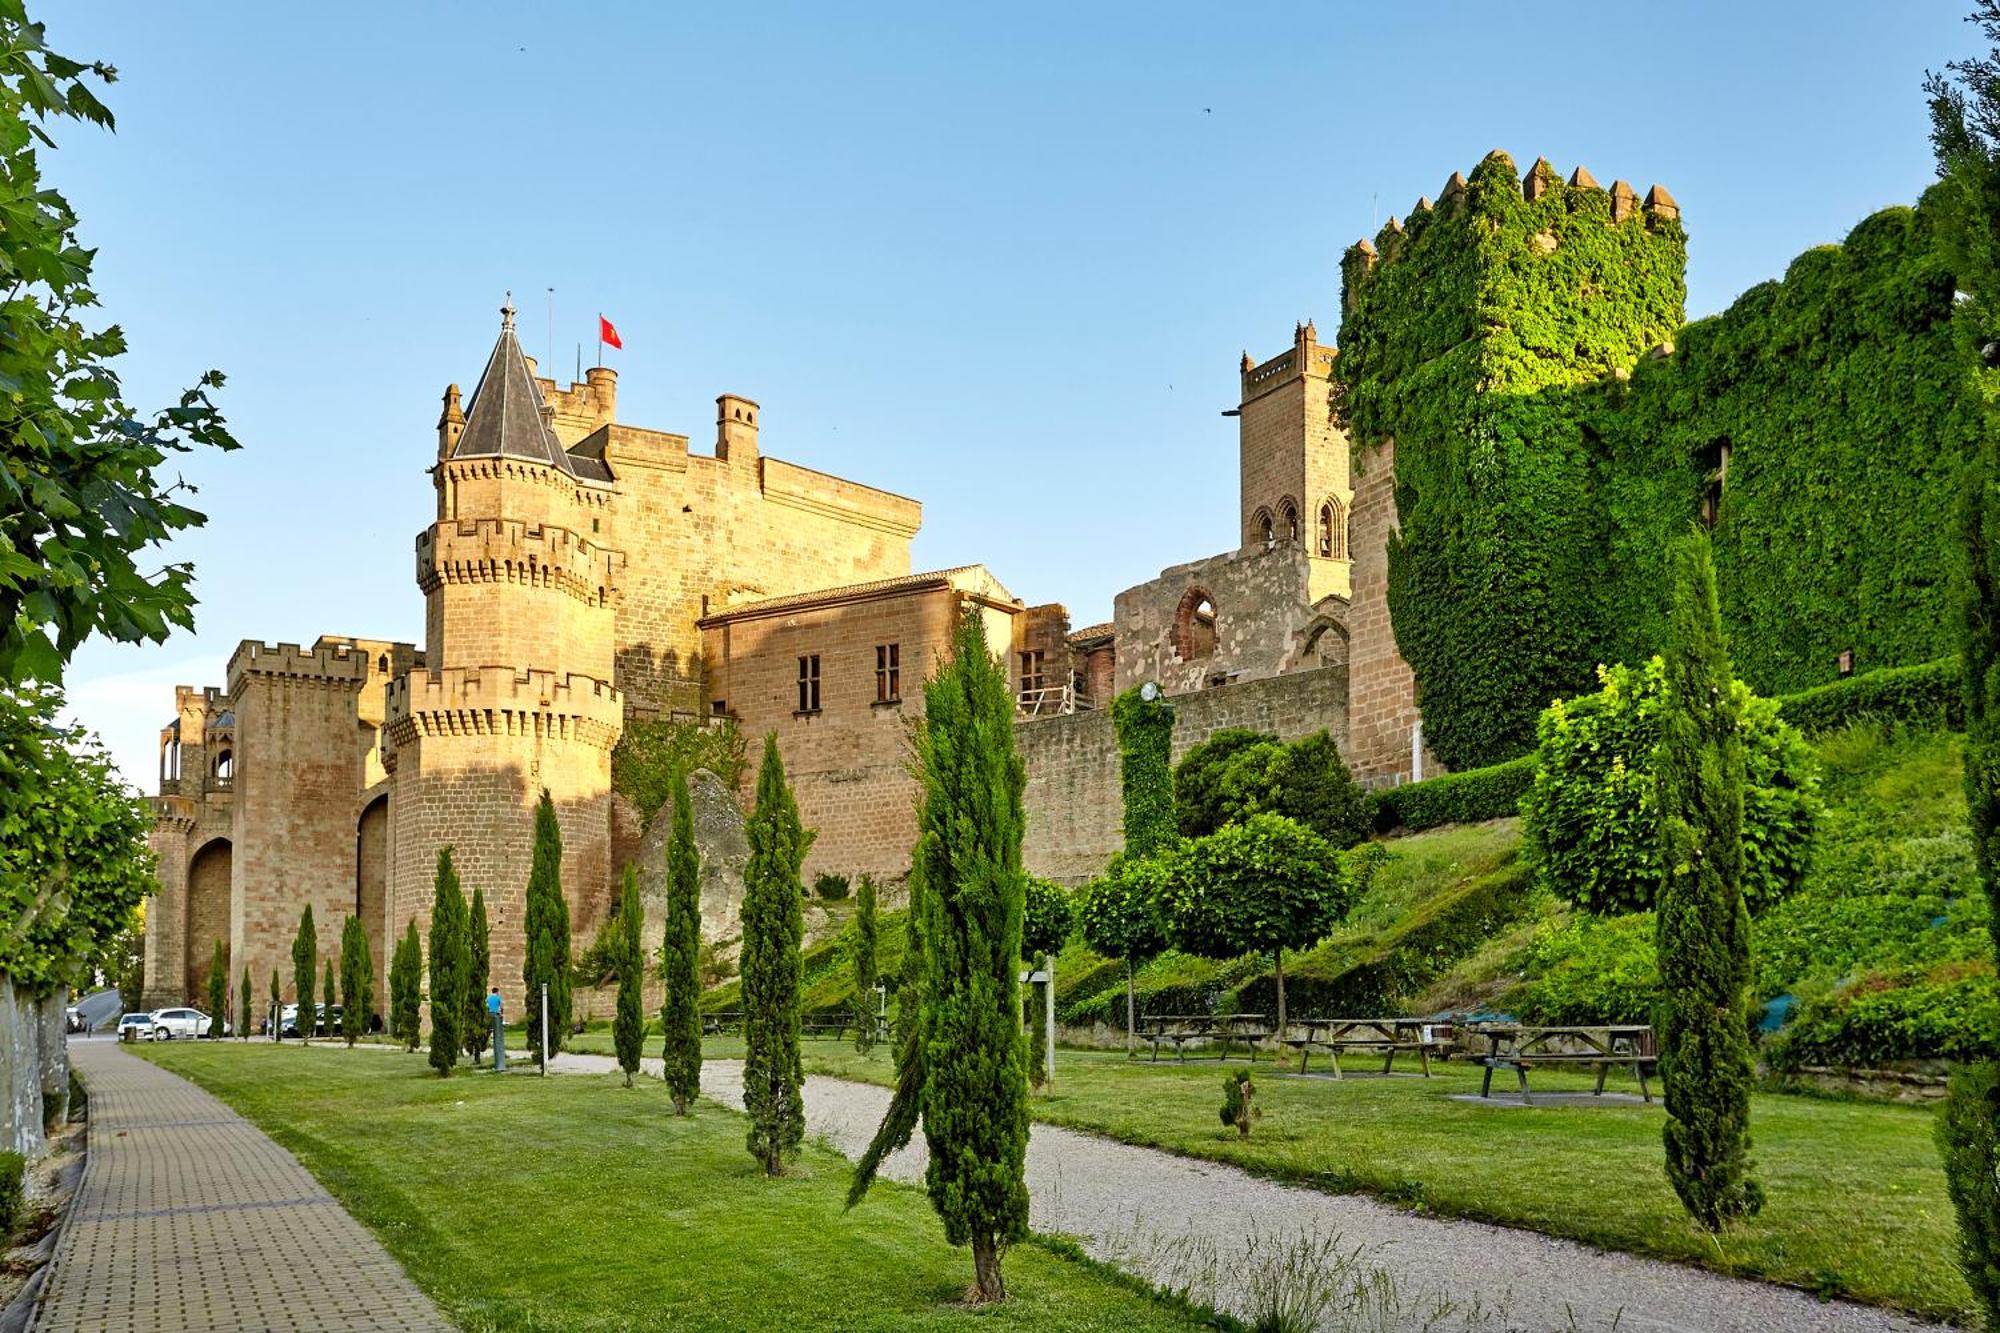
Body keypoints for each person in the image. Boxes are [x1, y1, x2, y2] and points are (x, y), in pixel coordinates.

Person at [487, 986, 506, 1072]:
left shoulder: (489, 998)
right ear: (497, 991)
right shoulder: (498, 998)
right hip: (496, 1014)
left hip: (490, 1014)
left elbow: (486, 1005)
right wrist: (501, 1013)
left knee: (492, 1027)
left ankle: (491, 1035)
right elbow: (501, 1006)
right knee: (498, 1027)